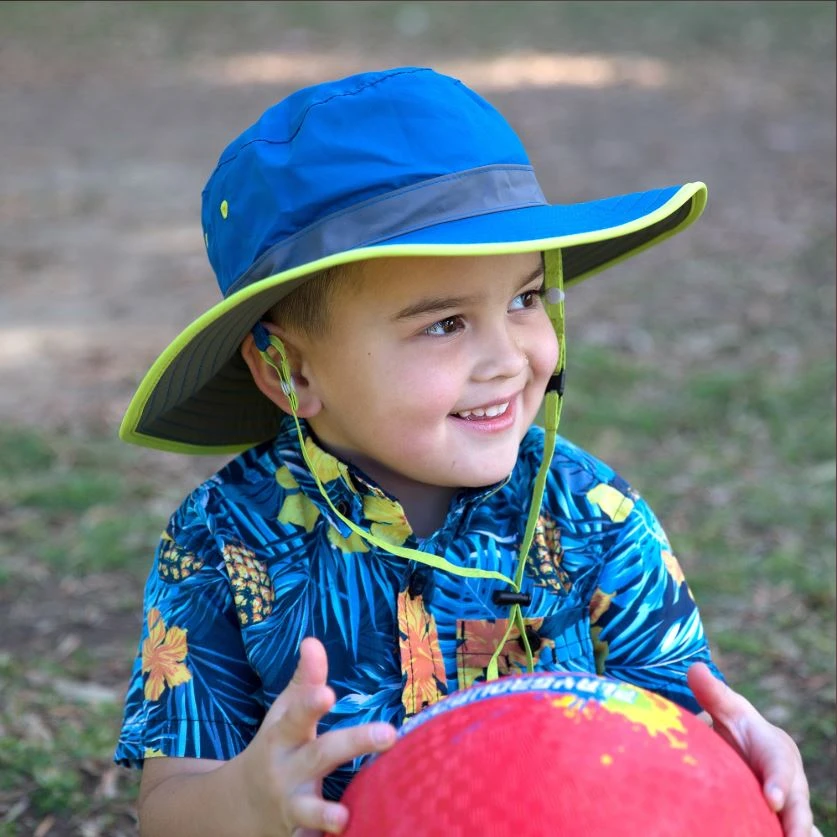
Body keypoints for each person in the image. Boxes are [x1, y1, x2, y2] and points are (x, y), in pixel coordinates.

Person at [114, 67, 815, 836]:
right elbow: (168, 808)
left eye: (523, 299)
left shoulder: (596, 517)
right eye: (444, 323)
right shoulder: (218, 542)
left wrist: (747, 759)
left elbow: (677, 740)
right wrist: (250, 800)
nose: (507, 359)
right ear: (292, 369)